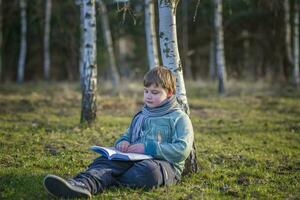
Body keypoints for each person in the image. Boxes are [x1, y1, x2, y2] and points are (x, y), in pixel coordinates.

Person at [43, 66, 194, 199]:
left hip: (164, 165)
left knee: (149, 172)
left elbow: (182, 149)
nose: (148, 96)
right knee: (104, 160)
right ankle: (79, 184)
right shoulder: (141, 115)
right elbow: (127, 135)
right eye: (146, 91)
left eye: (155, 92)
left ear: (169, 93)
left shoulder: (179, 118)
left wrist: (149, 148)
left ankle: (104, 179)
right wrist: (123, 142)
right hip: (133, 159)